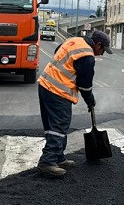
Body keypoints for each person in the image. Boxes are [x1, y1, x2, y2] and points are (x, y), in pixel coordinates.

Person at [36, 30, 112, 178]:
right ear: (98, 45)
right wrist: (90, 100)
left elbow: (58, 51)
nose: (102, 54)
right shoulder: (87, 56)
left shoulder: (76, 41)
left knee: (52, 126)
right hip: (58, 90)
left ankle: (58, 157)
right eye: (103, 50)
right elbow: (84, 85)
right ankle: (47, 162)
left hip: (45, 84)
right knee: (60, 126)